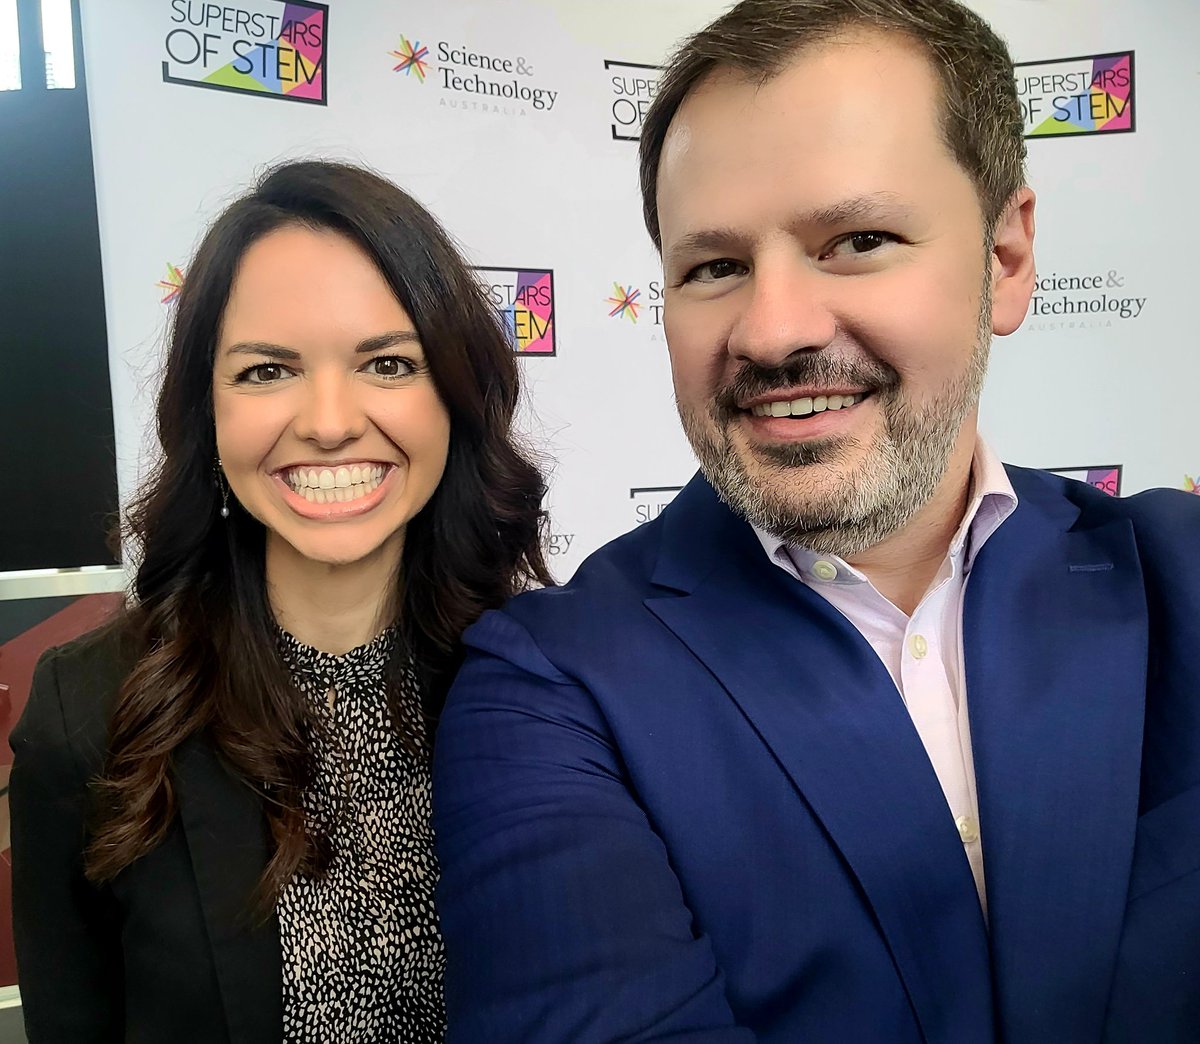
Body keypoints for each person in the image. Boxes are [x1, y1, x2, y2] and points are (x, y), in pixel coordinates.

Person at [431, 1, 1200, 1041]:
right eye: (714, 266)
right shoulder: (553, 686)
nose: (774, 329)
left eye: (859, 241)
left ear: (1006, 260)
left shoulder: (1181, 577)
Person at [11, 160, 551, 1043]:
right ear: (207, 411)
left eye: (387, 362)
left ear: (453, 396)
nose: (330, 420)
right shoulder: (89, 713)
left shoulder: (548, 684)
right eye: (267, 372)